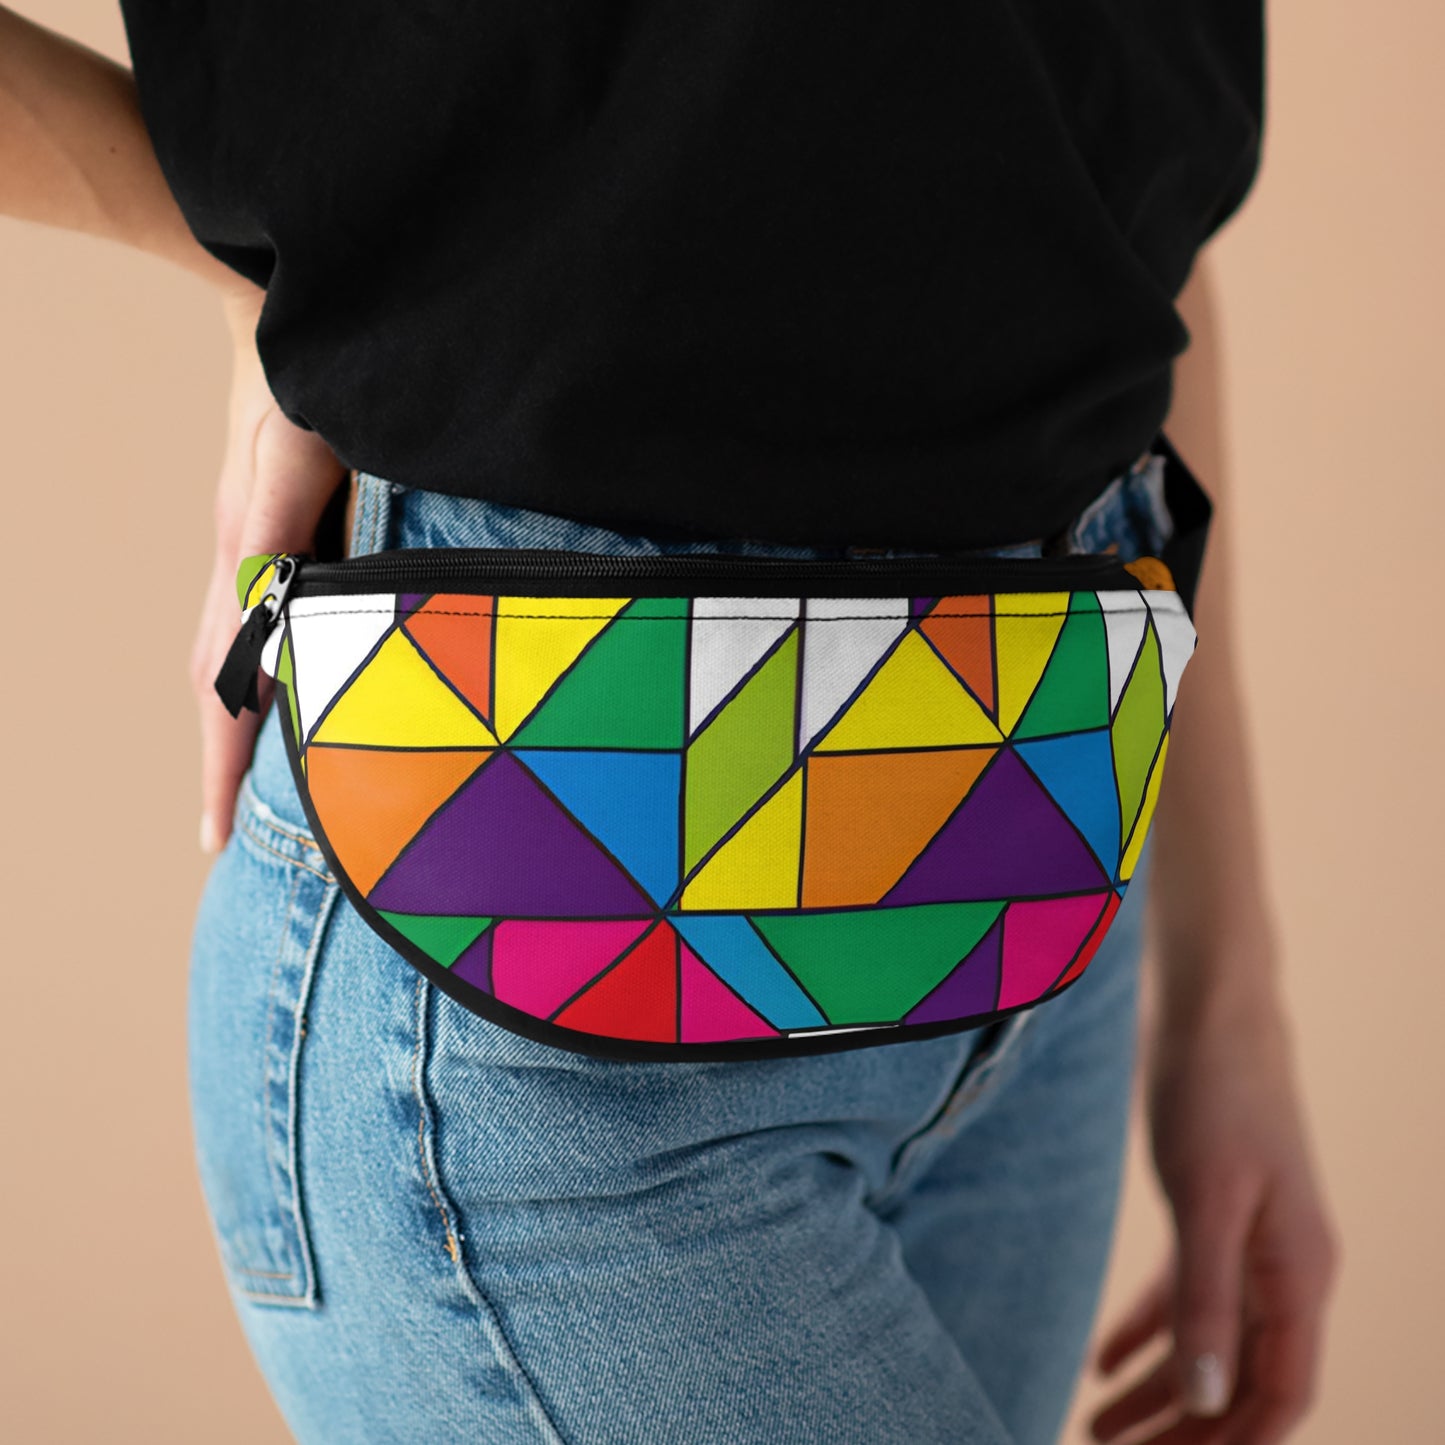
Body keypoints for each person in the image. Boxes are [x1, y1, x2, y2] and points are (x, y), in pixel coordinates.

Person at [1, 6, 1338, 1442]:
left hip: (1047, 848)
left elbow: (1126, 197)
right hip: (543, 948)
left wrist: (1227, 996)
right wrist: (255, 281)